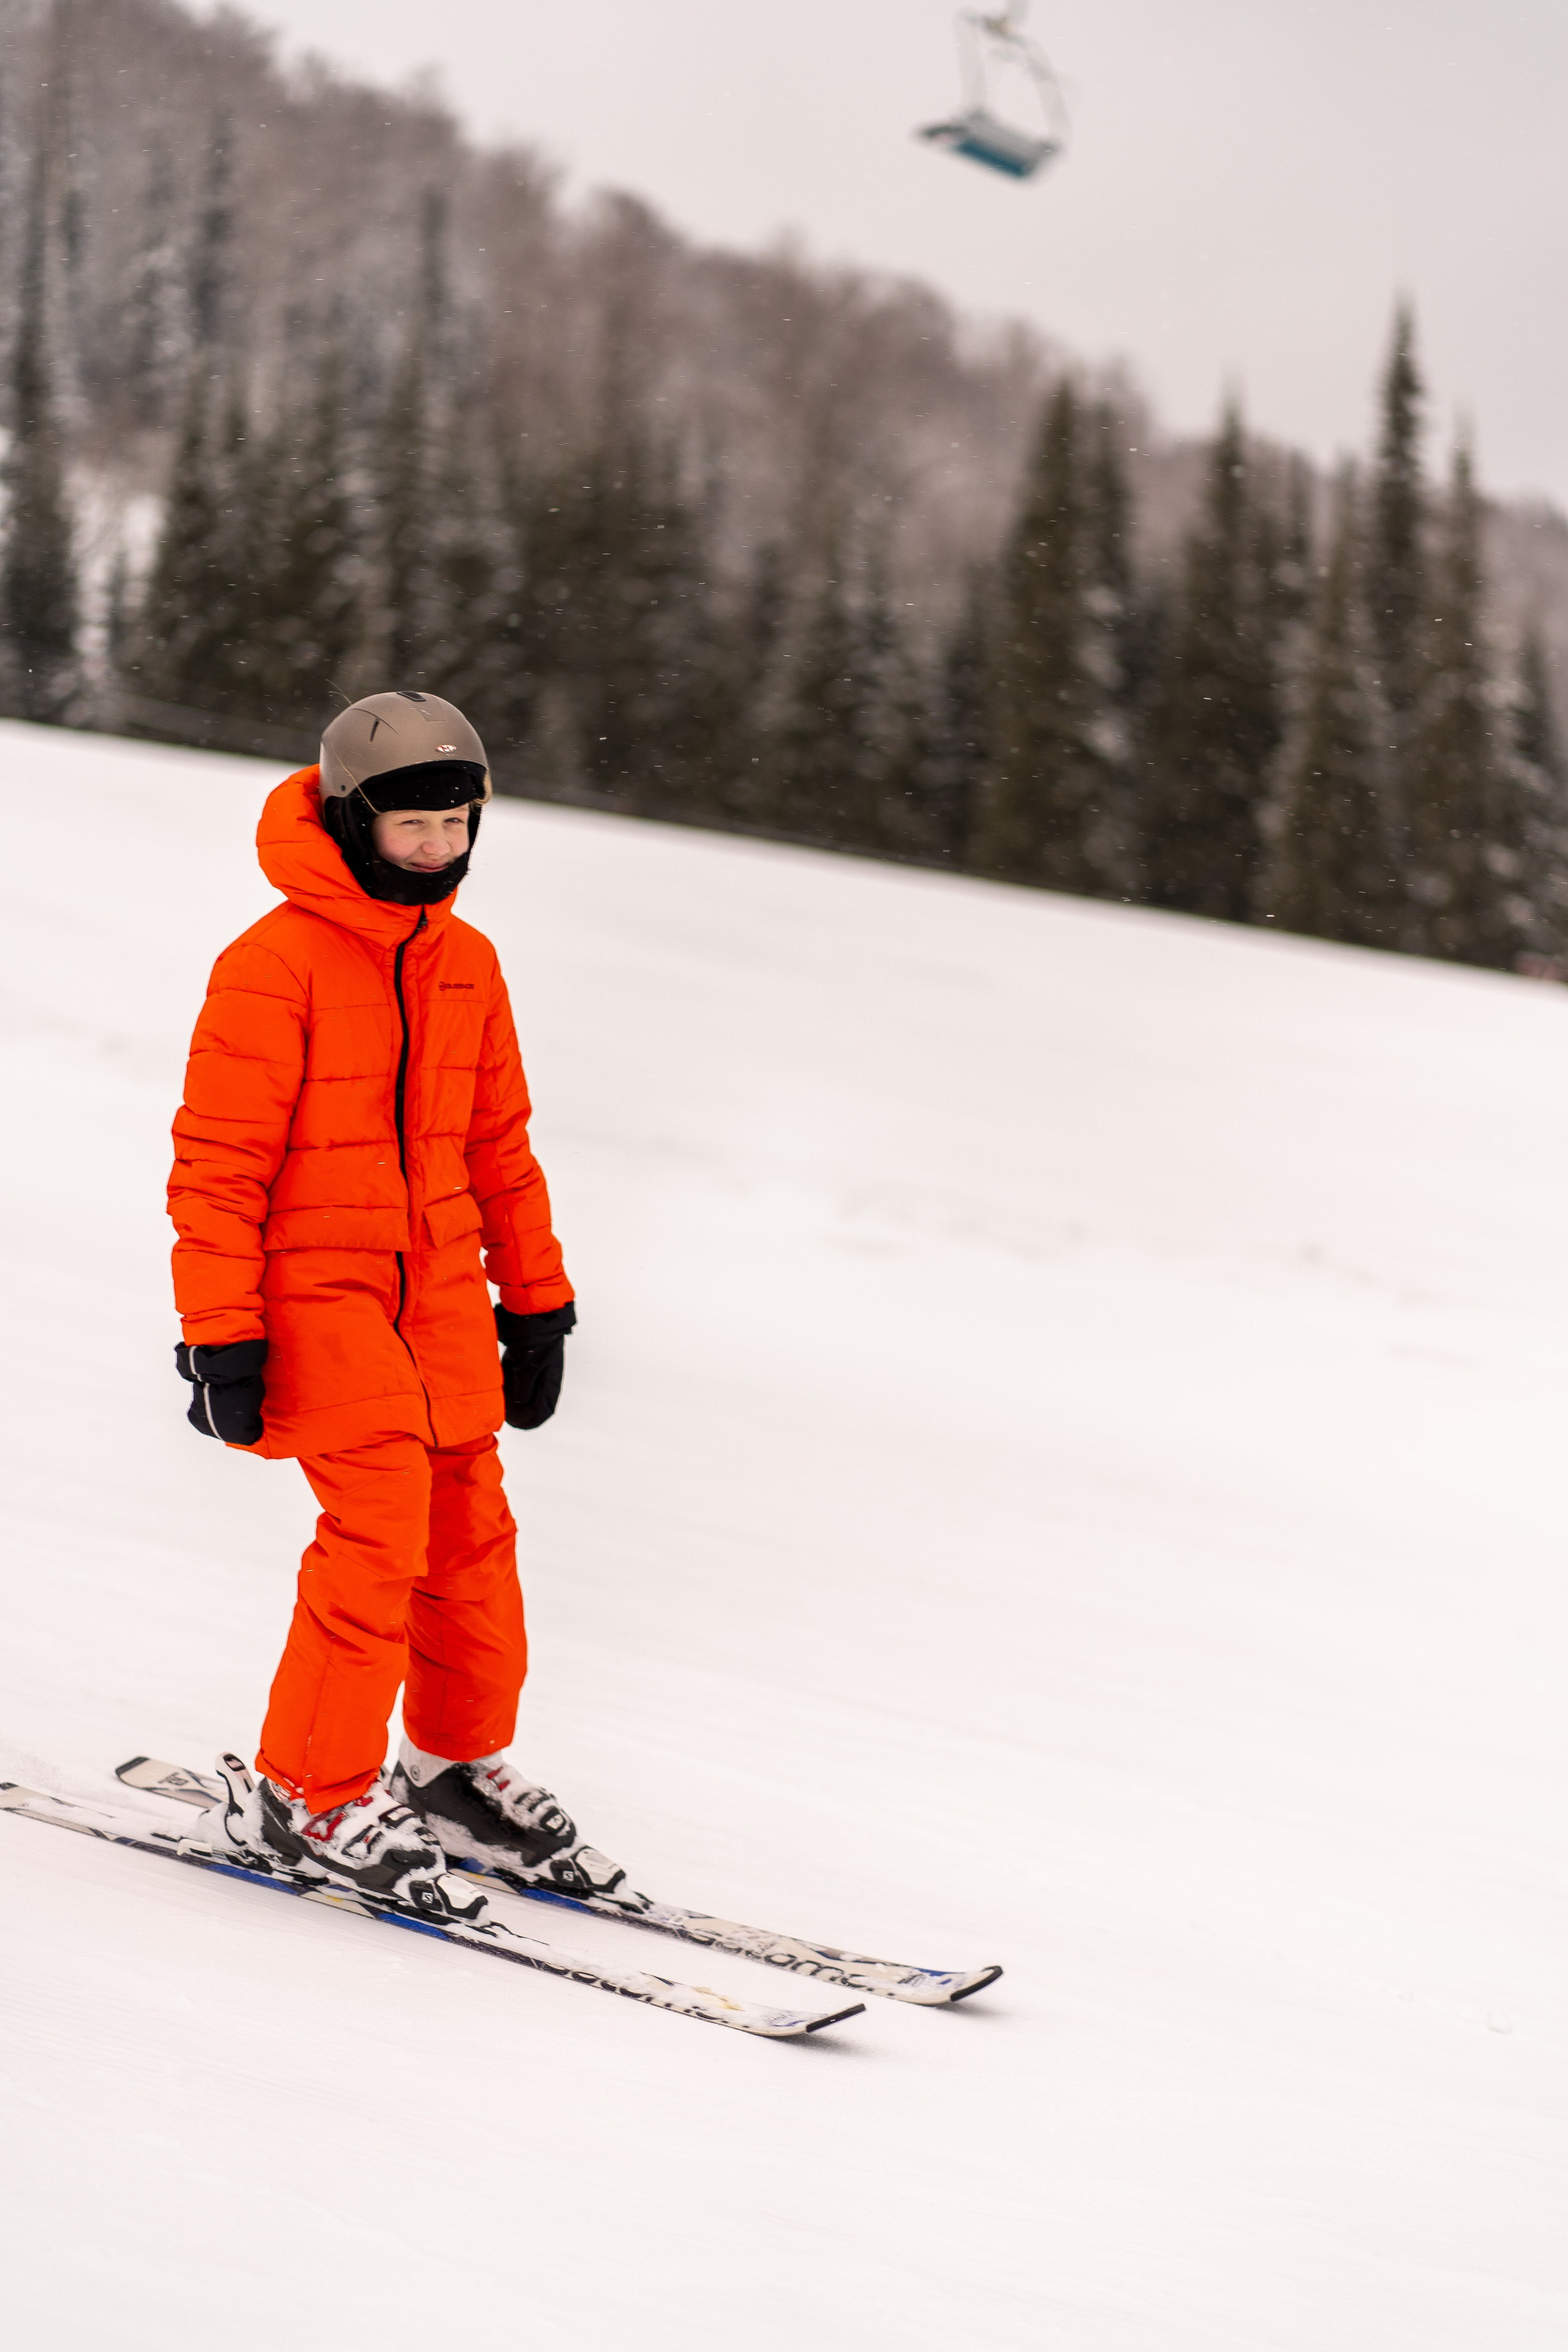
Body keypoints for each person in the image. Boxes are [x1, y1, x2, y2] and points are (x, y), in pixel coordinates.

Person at [168, 690, 623, 1920]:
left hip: (434, 1293)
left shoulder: (467, 965)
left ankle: (449, 1770)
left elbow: (502, 1150)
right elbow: (217, 1169)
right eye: (411, 827)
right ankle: (306, 1790)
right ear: (349, 818)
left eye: (456, 825)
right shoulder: (273, 965)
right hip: (313, 1290)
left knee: (470, 1533)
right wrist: (220, 1330)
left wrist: (536, 1304)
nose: (435, 849)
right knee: (377, 1527)